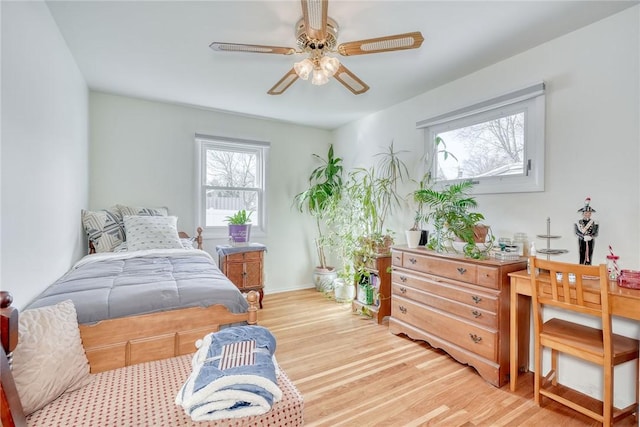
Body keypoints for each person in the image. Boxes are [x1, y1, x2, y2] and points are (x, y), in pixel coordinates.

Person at [574, 197, 599, 265]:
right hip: (582, 240)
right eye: (586, 213)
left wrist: (590, 236)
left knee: (589, 254)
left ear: (590, 214)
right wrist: (583, 237)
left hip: (590, 240)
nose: (587, 214)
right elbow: (577, 232)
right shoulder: (578, 222)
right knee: (582, 254)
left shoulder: (594, 222)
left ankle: (588, 267)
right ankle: (581, 267)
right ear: (583, 213)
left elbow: (595, 232)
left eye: (589, 213)